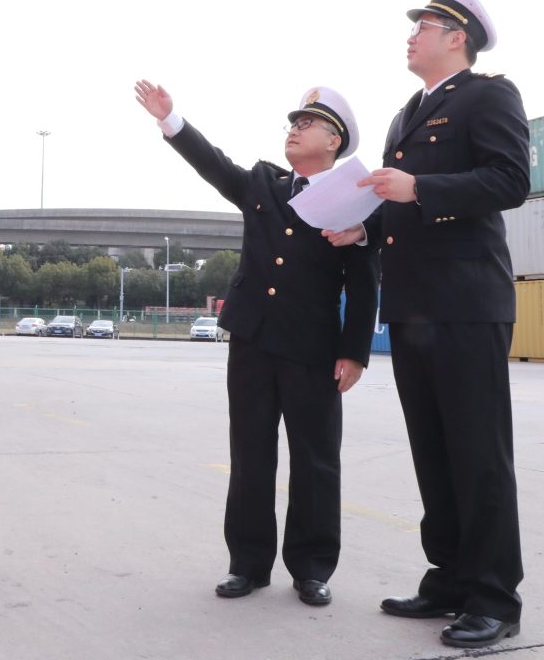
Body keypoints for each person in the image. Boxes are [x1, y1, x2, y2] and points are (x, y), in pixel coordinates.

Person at [329, 0, 530, 647]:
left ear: (457, 37)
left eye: (424, 25)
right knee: (435, 454)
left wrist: (421, 187)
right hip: (413, 307)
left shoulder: (489, 95)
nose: (411, 34)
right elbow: (402, 209)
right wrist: (363, 233)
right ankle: (449, 578)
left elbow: (510, 182)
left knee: (478, 453)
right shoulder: (405, 114)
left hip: (467, 304)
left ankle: (495, 597)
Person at [134, 79, 378, 606]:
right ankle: (247, 563)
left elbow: (364, 281)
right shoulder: (265, 182)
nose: (294, 129)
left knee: (315, 459)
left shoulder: (354, 201)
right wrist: (171, 120)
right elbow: (215, 166)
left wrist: (354, 351)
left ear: (334, 141)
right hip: (252, 341)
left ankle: (312, 568)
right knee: (250, 455)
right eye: (292, 122)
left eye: (306, 123)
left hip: (313, 348)